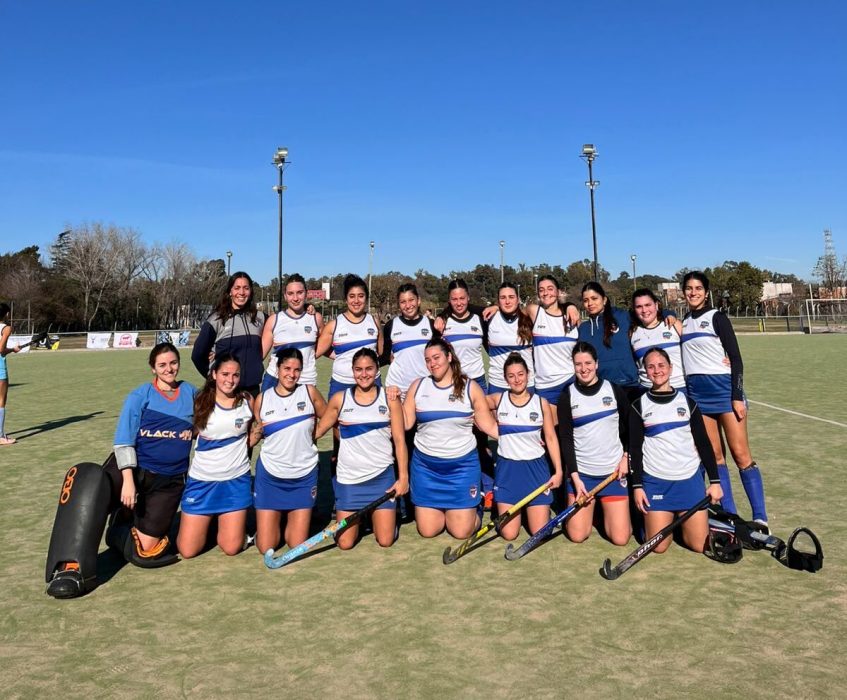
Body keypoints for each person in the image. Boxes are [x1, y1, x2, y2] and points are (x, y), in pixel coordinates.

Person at [681, 271, 768, 526]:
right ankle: (731, 516)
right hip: (699, 397)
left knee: (741, 455)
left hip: (725, 394)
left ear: (706, 292)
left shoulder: (717, 318)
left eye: (698, 288)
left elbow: (736, 359)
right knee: (716, 457)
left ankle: (760, 517)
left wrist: (737, 396)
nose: (693, 292)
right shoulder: (683, 322)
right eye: (689, 288)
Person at [108, 342, 197, 562]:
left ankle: (120, 529)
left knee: (146, 549)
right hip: (138, 471)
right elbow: (123, 441)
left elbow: (209, 421)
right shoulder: (140, 396)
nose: (169, 369)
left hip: (170, 480)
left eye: (173, 363)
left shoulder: (191, 392)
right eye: (162, 364)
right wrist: (128, 481)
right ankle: (122, 515)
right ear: (153, 368)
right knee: (92, 486)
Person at [630, 346, 724, 553]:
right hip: (656, 482)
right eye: (651, 367)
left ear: (671, 368)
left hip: (688, 480)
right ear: (645, 371)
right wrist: (637, 487)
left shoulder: (688, 403)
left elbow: (704, 445)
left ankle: (681, 520)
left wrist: (715, 482)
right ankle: (647, 519)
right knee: (658, 547)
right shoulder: (639, 406)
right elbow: (634, 450)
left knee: (699, 546)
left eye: (661, 365)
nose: (657, 370)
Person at [403, 338, 498, 539]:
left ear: (449, 357)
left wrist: (523, 436)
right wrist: (392, 400)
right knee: (428, 531)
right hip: (426, 468)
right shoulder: (418, 387)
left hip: (461, 468)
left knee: (461, 532)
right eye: (428, 360)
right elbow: (405, 423)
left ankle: (476, 503)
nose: (432, 363)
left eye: (436, 357)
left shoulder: (469, 387)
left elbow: (489, 426)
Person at [316, 348, 408, 549]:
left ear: (377, 371)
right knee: (344, 543)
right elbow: (318, 431)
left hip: (382, 478)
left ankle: (387, 515)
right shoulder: (340, 399)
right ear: (352, 371)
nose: (364, 374)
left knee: (385, 541)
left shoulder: (389, 398)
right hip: (350, 479)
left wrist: (403, 478)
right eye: (358, 369)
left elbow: (400, 440)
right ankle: (365, 516)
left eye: (369, 369)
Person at [177, 353, 260, 557]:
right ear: (214, 374)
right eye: (225, 374)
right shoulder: (199, 401)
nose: (230, 380)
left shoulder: (247, 400)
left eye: (235, 375)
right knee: (188, 551)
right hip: (202, 481)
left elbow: (255, 430)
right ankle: (213, 522)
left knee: (231, 548)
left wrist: (257, 435)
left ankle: (234, 528)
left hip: (235, 481)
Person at [252, 348, 327, 554]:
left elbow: (330, 414)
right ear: (277, 369)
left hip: (303, 476)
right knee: (266, 546)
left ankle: (295, 518)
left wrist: (317, 433)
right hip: (271, 475)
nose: (291, 374)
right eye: (287, 368)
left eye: (297, 370)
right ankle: (271, 523)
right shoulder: (262, 399)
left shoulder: (309, 392)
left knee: (296, 545)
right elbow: (258, 432)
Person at [557, 342, 632, 546]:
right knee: (577, 535)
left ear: (596, 363)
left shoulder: (614, 390)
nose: (584, 368)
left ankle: (602, 510)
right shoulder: (567, 395)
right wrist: (575, 477)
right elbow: (566, 439)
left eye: (588, 363)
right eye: (578, 364)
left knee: (620, 539)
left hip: (613, 474)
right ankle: (591, 511)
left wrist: (627, 457)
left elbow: (632, 428)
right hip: (583, 478)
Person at [487, 353, 562, 540]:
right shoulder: (498, 399)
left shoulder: (540, 403)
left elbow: (551, 438)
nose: (516, 379)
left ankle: (539, 513)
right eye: (511, 376)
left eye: (520, 374)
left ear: (528, 374)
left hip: (535, 471)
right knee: (509, 534)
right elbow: (474, 403)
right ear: (505, 379)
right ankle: (514, 511)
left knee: (539, 533)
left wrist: (559, 471)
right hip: (508, 471)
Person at [578, 281, 676, 400]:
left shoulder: (622, 316)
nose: (590, 303)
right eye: (586, 300)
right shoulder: (583, 329)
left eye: (594, 298)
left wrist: (669, 314)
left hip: (630, 386)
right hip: (602, 389)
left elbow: (646, 312)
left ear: (604, 300)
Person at [192, 271, 266, 396]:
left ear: (251, 291)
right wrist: (212, 377)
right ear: (230, 291)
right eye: (237, 288)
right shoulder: (216, 319)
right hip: (225, 391)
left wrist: (307, 307)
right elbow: (197, 355)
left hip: (252, 392)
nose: (241, 293)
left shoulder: (260, 318)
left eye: (246, 288)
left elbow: (284, 321)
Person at [260, 273, 323, 393]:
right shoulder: (274, 320)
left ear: (306, 293)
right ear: (285, 296)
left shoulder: (316, 318)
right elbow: (260, 354)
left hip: (305, 381)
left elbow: (326, 347)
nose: (295, 298)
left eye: (299, 292)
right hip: (275, 379)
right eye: (290, 294)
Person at [525, 276, 580, 407]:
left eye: (550, 289)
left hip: (570, 383)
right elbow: (513, 311)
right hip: (544, 387)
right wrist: (497, 308)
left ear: (558, 292)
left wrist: (570, 306)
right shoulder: (535, 312)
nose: (545, 293)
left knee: (570, 426)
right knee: (549, 427)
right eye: (541, 290)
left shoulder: (572, 317)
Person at [381, 283, 435, 402]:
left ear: (418, 300)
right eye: (403, 302)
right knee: (398, 421)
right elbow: (385, 356)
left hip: (425, 387)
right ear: (399, 305)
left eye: (411, 300)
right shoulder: (391, 325)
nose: (408, 305)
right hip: (397, 389)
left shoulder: (430, 325)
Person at [629, 288, 686, 393]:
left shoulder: (673, 325)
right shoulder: (632, 332)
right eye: (639, 307)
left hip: (679, 387)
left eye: (648, 305)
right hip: (647, 390)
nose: (644, 310)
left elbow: (695, 348)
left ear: (656, 305)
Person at [487, 282, 534, 395]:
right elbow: (466, 306)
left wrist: (569, 306)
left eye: (511, 297)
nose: (507, 301)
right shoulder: (489, 317)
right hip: (498, 384)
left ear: (518, 300)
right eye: (503, 298)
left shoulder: (530, 319)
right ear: (498, 301)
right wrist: (442, 315)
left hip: (526, 384)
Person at [0, 302, 21, 445]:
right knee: (1, 401)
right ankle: (0, 436)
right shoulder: (6, 328)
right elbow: (1, 349)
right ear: (7, 314)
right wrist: (12, 350)